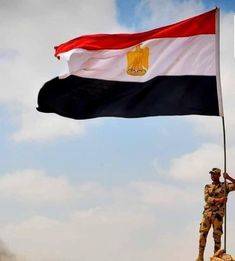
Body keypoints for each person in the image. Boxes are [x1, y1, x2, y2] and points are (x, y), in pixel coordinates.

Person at [196, 168, 235, 261]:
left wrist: (229, 177)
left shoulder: (225, 186)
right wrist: (219, 200)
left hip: (218, 215)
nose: (212, 175)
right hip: (207, 214)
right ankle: (200, 256)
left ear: (219, 175)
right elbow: (207, 199)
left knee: (217, 237)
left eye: (214, 174)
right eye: (211, 174)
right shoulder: (207, 186)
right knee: (203, 235)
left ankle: (216, 256)